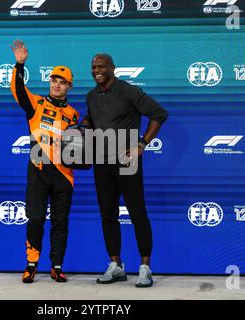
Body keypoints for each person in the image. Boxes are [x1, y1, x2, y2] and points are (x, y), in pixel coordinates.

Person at [81, 53, 168, 288]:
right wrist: (83, 126)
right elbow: (92, 119)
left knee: (137, 213)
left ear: (112, 68)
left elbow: (159, 114)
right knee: (108, 215)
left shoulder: (129, 91)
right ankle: (116, 265)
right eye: (93, 67)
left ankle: (145, 268)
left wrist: (142, 144)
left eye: (101, 66)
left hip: (127, 163)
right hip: (101, 163)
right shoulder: (90, 95)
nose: (96, 70)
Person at [10, 40, 80, 283]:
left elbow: (77, 148)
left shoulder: (74, 114)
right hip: (38, 171)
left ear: (69, 86)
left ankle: (57, 266)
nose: (57, 85)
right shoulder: (36, 103)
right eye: (54, 80)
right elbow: (18, 90)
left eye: (62, 82)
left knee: (60, 222)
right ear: (49, 82)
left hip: (64, 176)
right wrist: (19, 65)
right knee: (36, 218)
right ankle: (31, 264)